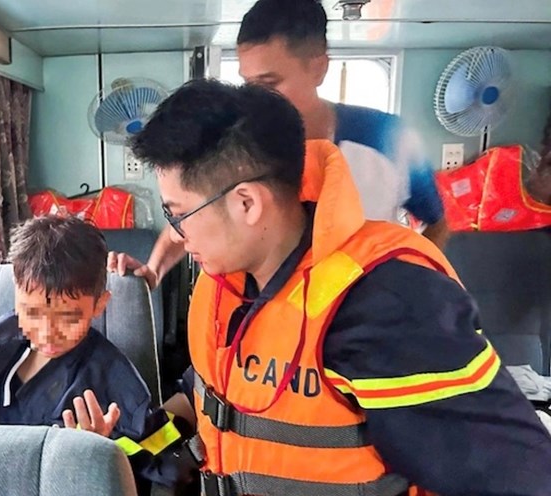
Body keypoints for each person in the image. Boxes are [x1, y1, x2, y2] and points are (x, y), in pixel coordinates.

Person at [83, 79, 551, 495]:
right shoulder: (223, 286)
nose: (177, 235)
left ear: (246, 203)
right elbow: (203, 399)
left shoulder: (387, 304)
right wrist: (120, 449)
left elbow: (518, 475)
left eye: (177, 214)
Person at [111, 0, 449, 290]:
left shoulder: (388, 138)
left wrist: (412, 283)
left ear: (318, 68)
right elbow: (194, 216)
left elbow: (436, 219)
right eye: (248, 84)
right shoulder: (243, 140)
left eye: (270, 83)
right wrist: (152, 272)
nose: (257, 98)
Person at [0, 215, 183, 491]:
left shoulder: (110, 375)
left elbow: (162, 461)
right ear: (16, 293)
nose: (47, 333)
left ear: (99, 305)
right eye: (31, 313)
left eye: (68, 318)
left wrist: (102, 451)